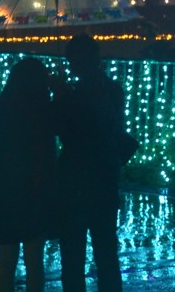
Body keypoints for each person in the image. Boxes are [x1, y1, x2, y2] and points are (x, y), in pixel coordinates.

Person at [54, 32, 132, 292]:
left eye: (70, 60)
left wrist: (61, 94)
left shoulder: (76, 95)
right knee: (106, 252)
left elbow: (64, 131)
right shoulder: (112, 89)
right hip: (105, 178)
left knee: (73, 255)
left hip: (76, 181)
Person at [0, 56, 57, 292]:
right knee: (34, 262)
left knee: (6, 260)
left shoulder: (1, 106)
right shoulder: (43, 111)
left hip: (3, 189)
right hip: (34, 190)